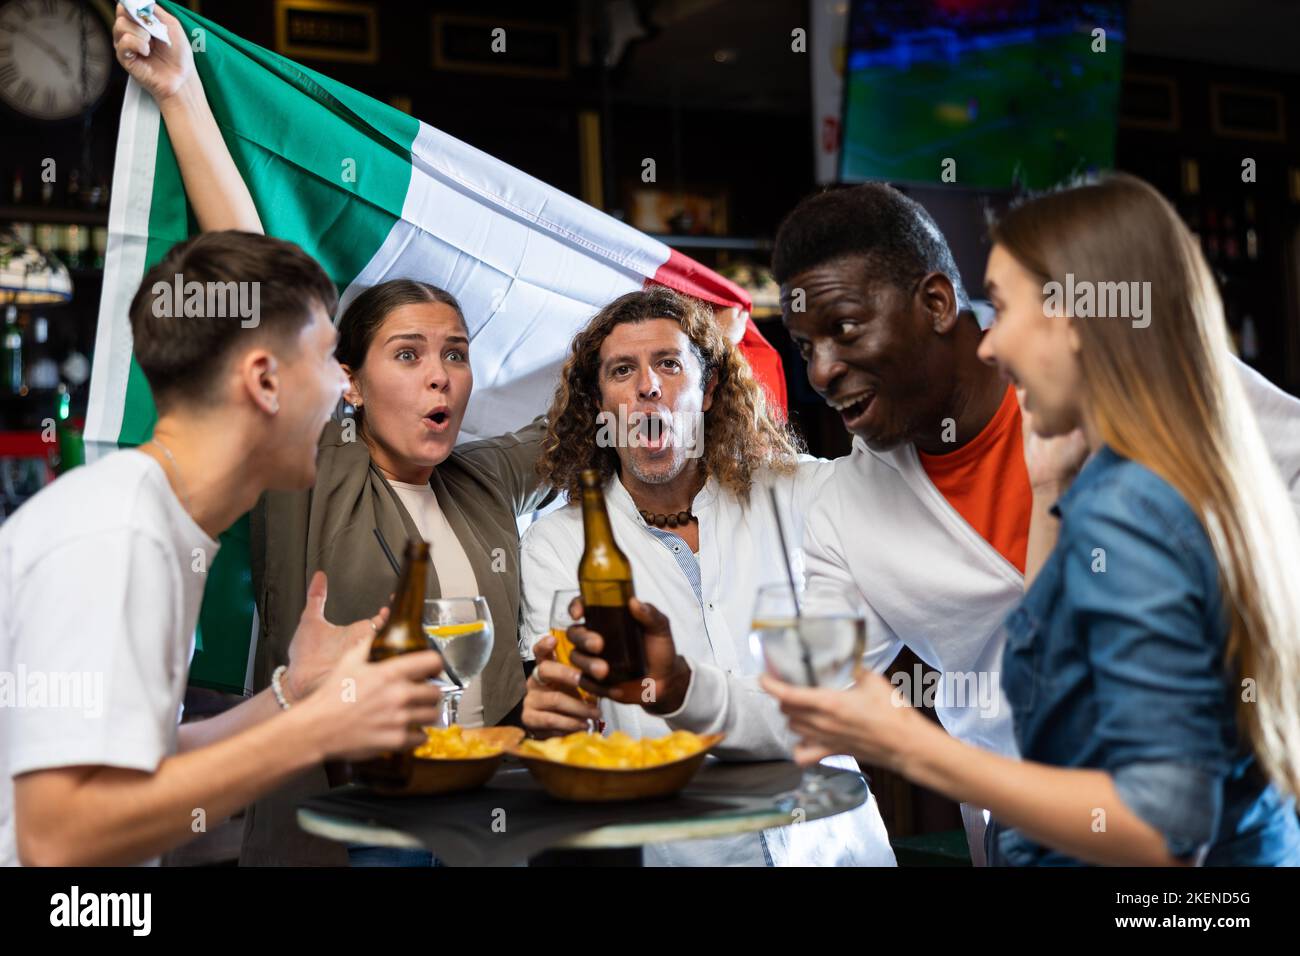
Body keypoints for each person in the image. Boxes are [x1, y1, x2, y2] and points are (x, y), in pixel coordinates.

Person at [113, 6, 558, 865]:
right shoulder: (316, 461)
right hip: (349, 837)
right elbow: (256, 273)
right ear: (347, 382)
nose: (441, 375)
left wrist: (688, 333)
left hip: (488, 830)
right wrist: (180, 93)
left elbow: (587, 416)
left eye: (457, 356)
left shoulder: (489, 475)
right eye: (410, 354)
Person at [764, 173, 1300, 865]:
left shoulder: (1136, 483)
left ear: (936, 302)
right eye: (804, 347)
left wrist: (909, 743)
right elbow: (812, 684)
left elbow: (1165, 823)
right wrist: (685, 690)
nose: (821, 373)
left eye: (1006, 308)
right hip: (1032, 831)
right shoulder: (1067, 470)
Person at [0, 230, 445, 866]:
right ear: (264, 380)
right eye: (326, 360)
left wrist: (294, 694)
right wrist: (318, 728)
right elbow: (59, 835)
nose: (339, 390)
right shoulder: (117, 536)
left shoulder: (148, 518)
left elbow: (142, 761)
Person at [518, 286, 895, 866]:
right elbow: (582, 722)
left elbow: (894, 474)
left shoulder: (797, 493)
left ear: (710, 387)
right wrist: (555, 729)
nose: (648, 386)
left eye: (669, 363)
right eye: (623, 370)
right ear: (599, 403)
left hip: (834, 846)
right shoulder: (557, 544)